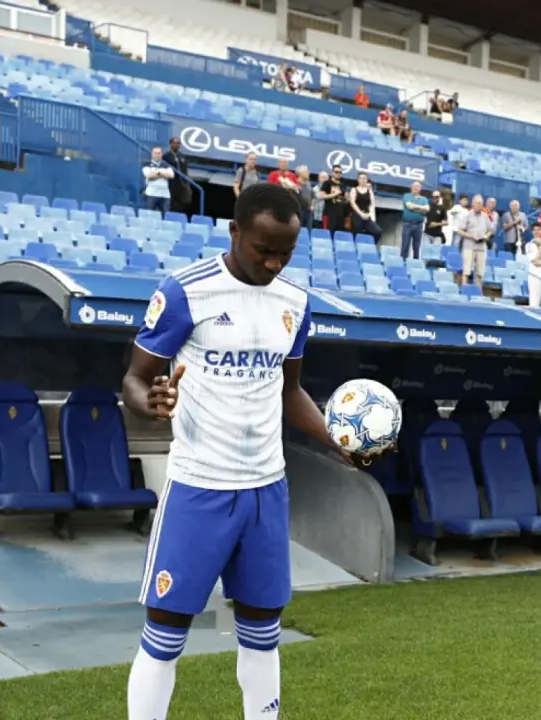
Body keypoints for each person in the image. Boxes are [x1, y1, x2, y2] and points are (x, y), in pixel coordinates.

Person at [123, 184, 365, 720]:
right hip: (199, 487)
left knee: (262, 631)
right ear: (234, 232)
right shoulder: (185, 292)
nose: (274, 263)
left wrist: (337, 440)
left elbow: (289, 391)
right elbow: (135, 380)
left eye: (286, 253)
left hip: (266, 490)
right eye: (264, 250)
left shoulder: (294, 302)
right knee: (166, 633)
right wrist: (151, 401)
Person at [348, 172, 382, 239]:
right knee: (357, 230)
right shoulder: (354, 189)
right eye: (360, 178)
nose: (362, 180)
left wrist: (370, 214)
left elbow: (372, 203)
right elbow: (353, 203)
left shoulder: (369, 190)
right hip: (357, 214)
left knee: (377, 231)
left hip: (367, 215)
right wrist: (361, 214)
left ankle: (370, 243)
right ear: (358, 180)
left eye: (364, 178)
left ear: (367, 180)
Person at [400, 181, 429, 260]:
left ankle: (415, 263)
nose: (415, 188)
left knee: (416, 247)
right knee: (405, 245)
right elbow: (409, 207)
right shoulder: (406, 196)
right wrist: (421, 209)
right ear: (411, 187)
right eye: (413, 186)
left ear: (420, 188)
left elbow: (427, 209)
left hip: (419, 225)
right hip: (407, 224)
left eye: (417, 186)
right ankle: (403, 262)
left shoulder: (424, 199)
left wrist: (415, 208)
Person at [142, 147, 174, 215]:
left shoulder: (166, 165)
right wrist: (163, 173)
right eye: (155, 153)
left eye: (159, 153)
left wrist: (157, 172)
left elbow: (171, 175)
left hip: (165, 196)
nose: (157, 155)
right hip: (151, 194)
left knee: (165, 217)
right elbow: (149, 175)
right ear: (152, 154)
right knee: (149, 215)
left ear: (162, 154)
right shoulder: (146, 164)